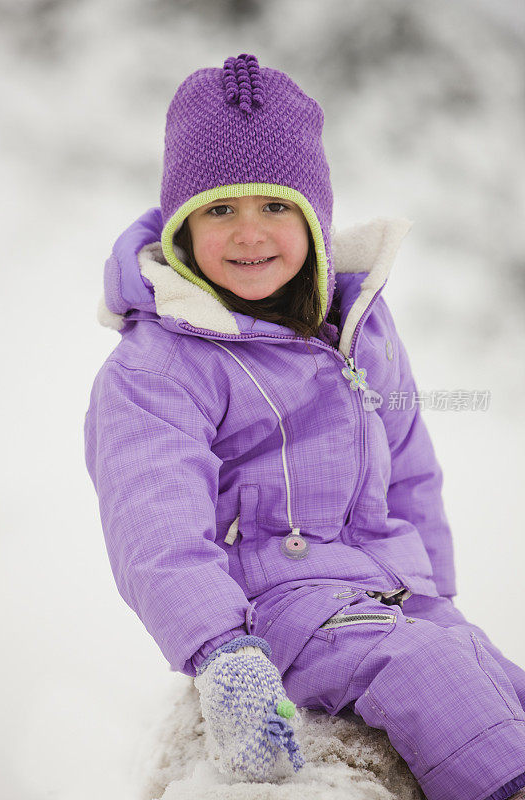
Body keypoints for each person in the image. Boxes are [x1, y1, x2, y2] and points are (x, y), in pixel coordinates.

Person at [84, 53, 525, 799]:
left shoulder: (356, 325)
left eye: (276, 207)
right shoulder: (161, 366)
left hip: (389, 594)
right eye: (220, 209)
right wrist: (222, 651)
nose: (250, 233)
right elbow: (152, 524)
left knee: (487, 672)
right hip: (279, 604)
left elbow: (410, 463)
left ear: (314, 217)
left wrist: (435, 594)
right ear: (185, 226)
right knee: (432, 673)